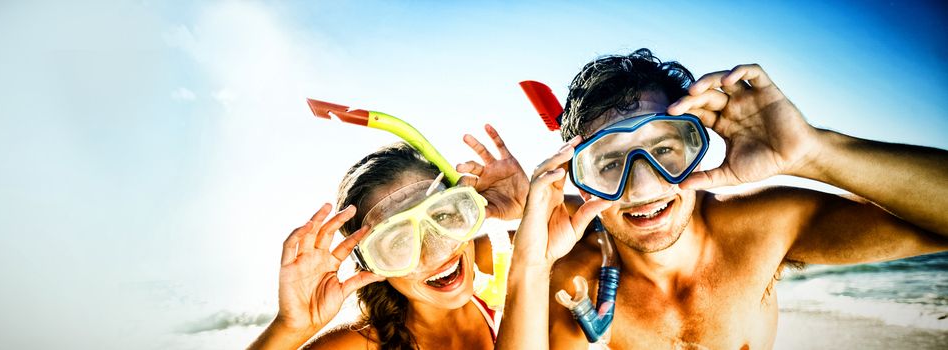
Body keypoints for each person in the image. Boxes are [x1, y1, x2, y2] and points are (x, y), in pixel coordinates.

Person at [493, 49, 948, 349]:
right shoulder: (573, 281)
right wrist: (529, 265)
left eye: (665, 149)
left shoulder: (760, 228)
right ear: (578, 175)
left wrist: (815, 153)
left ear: (698, 145)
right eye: (609, 162)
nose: (643, 187)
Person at [248, 127, 529, 350]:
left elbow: (570, 232)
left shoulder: (494, 257)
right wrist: (290, 329)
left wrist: (529, 206)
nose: (437, 252)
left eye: (441, 216)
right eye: (399, 241)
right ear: (372, 264)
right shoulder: (361, 346)